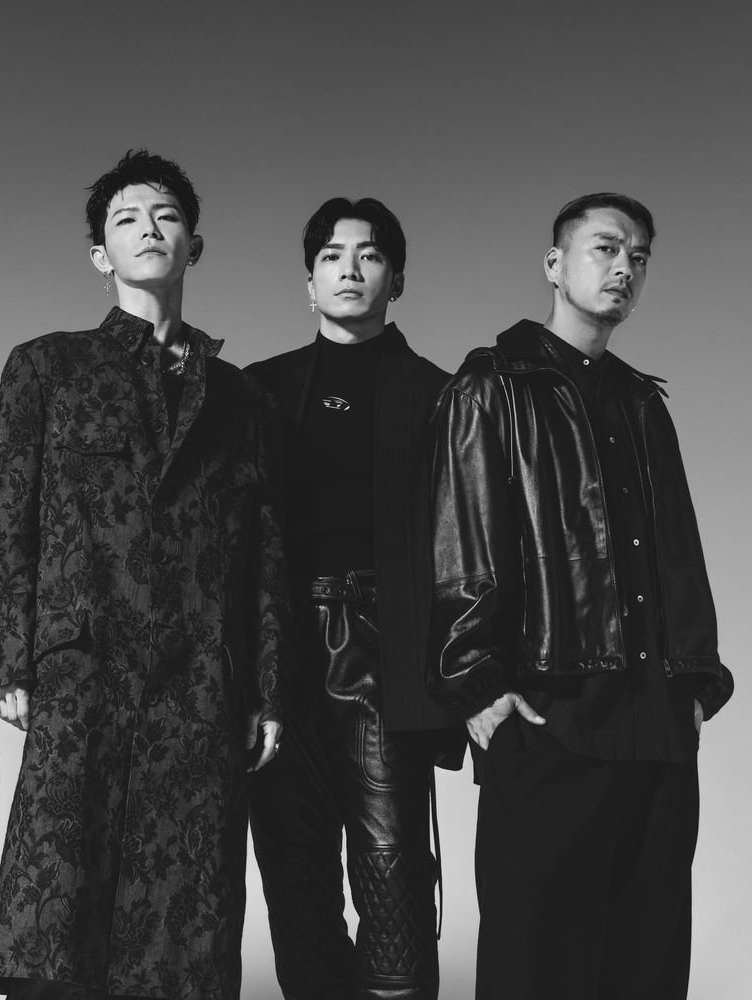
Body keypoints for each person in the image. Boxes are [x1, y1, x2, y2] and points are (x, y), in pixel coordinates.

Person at [0, 149, 289, 1000]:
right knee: (55, 913)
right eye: (126, 219)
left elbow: (264, 555)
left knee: (181, 929)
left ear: (195, 245)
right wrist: (9, 660)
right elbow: (5, 519)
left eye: (166, 216)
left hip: (199, 685)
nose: (148, 230)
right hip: (82, 669)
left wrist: (265, 688)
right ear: (99, 255)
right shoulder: (47, 366)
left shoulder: (241, 400)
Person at [428, 193, 735, 999]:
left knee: (645, 962)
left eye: (638, 256)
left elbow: (678, 554)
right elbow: (460, 541)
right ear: (554, 265)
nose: (623, 267)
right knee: (537, 963)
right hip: (548, 714)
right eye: (605, 248)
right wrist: (475, 684)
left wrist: (694, 683)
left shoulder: (641, 401)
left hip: (654, 724)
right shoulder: (489, 386)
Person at [245, 197, 465, 1000]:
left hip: (384, 640)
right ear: (308, 282)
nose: (349, 269)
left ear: (395, 279)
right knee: (293, 867)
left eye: (368, 255)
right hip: (277, 646)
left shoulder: (442, 395)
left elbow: (466, 543)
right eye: (331, 256)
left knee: (391, 863)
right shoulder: (257, 391)